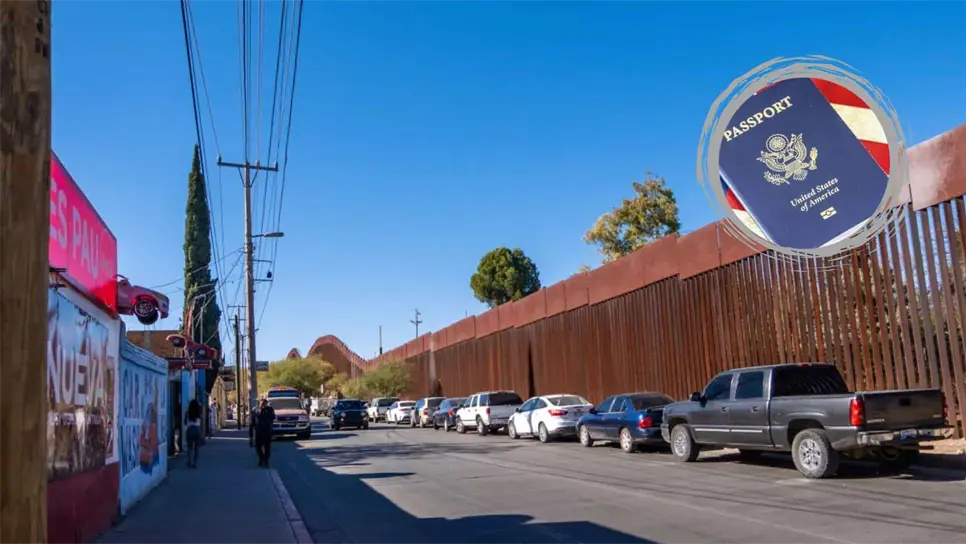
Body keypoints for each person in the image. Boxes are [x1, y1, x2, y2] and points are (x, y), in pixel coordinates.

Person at [249, 397, 276, 467]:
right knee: (258, 448)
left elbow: (273, 417)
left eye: (264, 403)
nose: (262, 404)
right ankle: (261, 458)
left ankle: (266, 461)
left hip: (267, 432)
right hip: (258, 432)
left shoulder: (270, 410)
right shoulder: (255, 410)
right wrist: (251, 436)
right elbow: (252, 423)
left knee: (267, 448)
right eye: (261, 403)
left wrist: (266, 409)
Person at [184, 399, 202, 468]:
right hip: (197, 429)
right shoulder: (199, 413)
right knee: (196, 448)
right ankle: (195, 463)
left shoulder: (187, 413)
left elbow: (185, 422)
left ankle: (189, 462)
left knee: (190, 447)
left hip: (190, 429)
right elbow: (201, 421)